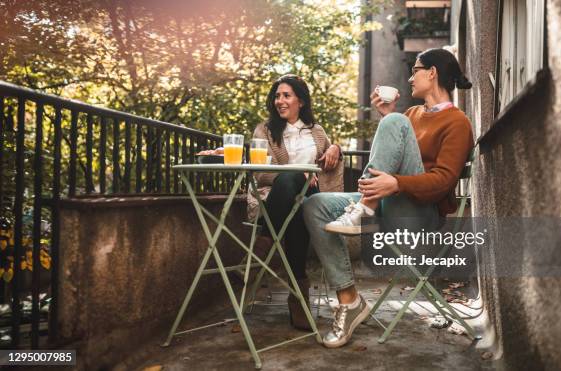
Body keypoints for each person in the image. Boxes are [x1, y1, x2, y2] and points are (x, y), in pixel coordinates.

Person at [303, 48, 474, 348]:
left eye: (415, 70)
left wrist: (395, 183)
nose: (410, 77)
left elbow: (443, 181)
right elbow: (392, 159)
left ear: (432, 73)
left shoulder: (458, 123)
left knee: (395, 122)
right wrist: (388, 119)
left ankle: (363, 207)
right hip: (386, 203)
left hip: (420, 216)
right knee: (314, 205)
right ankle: (349, 299)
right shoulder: (410, 115)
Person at [200, 74, 343, 330]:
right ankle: (299, 299)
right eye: (277, 96)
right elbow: (261, 172)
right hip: (276, 196)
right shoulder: (264, 130)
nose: (280, 101)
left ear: (300, 100)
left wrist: (336, 149)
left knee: (301, 201)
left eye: (286, 95)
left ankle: (258, 252)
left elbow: (330, 155)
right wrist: (299, 174)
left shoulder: (317, 132)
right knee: (293, 194)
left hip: (310, 198)